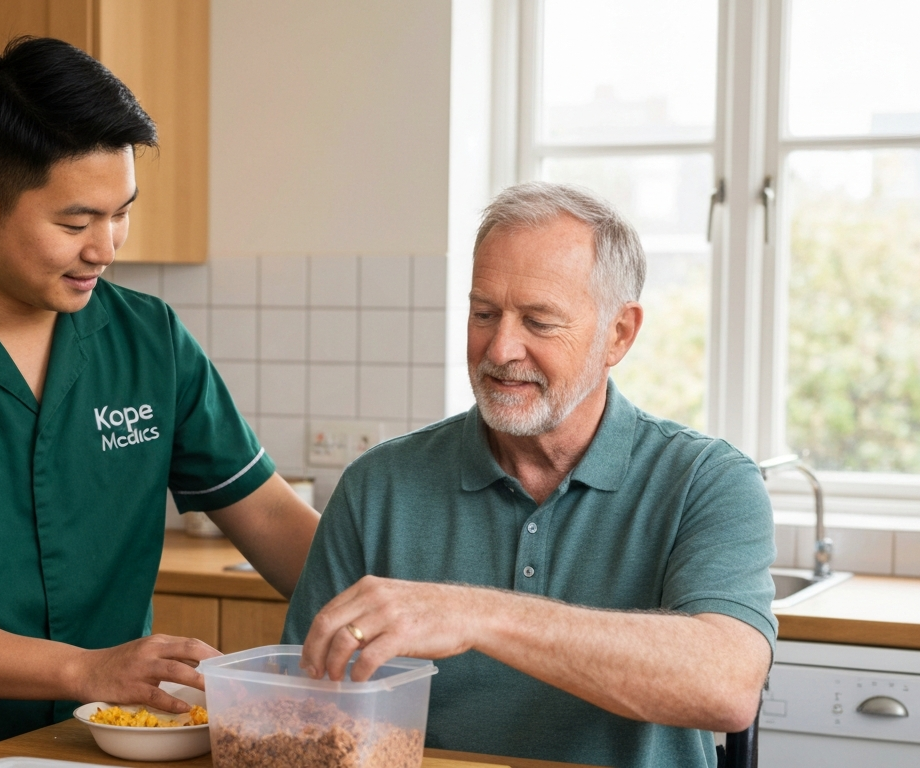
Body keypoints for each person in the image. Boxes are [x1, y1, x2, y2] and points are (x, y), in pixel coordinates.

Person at [0, 37, 319, 767]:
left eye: (121, 213)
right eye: (75, 223)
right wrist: (90, 669)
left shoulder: (152, 341)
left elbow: (266, 514)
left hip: (100, 752)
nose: (107, 248)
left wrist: (388, 614)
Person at [283, 182, 775, 768]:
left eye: (539, 322)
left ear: (619, 333)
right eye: (483, 313)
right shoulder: (378, 485)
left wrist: (474, 614)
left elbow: (726, 686)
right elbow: (305, 707)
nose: (500, 347)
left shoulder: (707, 480)